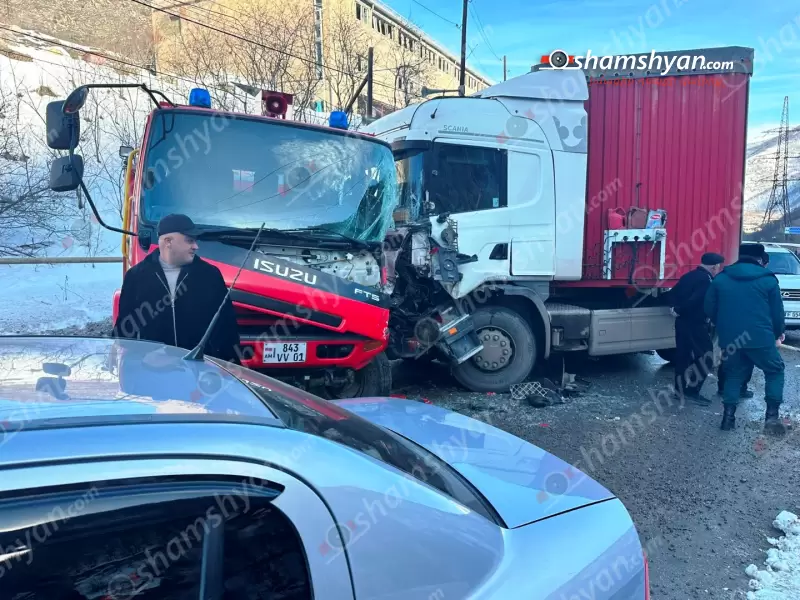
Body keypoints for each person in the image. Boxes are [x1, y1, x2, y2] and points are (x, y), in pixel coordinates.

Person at [112, 213, 241, 363]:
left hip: (200, 372)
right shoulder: (136, 276)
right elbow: (124, 333)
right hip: (152, 373)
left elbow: (228, 332)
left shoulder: (210, 275)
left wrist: (229, 369)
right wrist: (144, 358)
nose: (196, 246)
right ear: (168, 242)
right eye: (189, 240)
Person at [704, 243, 787, 433]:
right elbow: (777, 312)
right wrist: (778, 332)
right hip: (760, 337)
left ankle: (728, 419)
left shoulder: (721, 278)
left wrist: (723, 325)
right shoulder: (768, 280)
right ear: (760, 259)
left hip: (731, 338)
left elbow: (709, 307)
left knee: (733, 374)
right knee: (775, 370)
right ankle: (771, 418)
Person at [667, 252, 725, 405]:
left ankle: (679, 391)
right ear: (714, 267)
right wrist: (681, 309)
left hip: (681, 323)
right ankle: (692, 391)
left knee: (683, 356)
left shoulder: (688, 276)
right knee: (707, 357)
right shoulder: (706, 280)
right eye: (718, 267)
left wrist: (674, 308)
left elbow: (671, 294)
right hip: (696, 323)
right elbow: (696, 300)